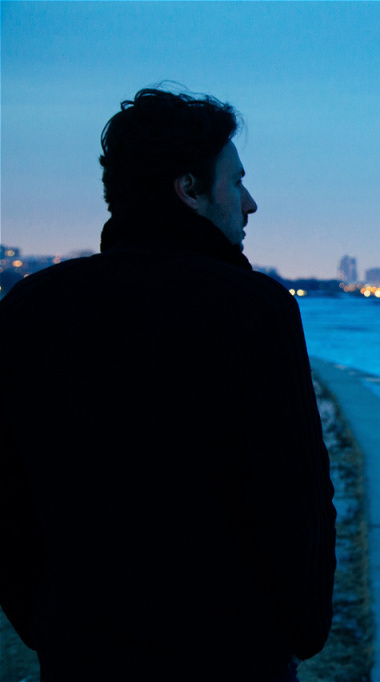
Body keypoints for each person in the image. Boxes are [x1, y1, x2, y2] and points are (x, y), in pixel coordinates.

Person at [0, 87, 336, 681]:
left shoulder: (32, 307)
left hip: (82, 655)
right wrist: (300, 631)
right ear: (189, 190)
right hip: (234, 656)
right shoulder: (254, 311)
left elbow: (7, 494)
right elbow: (295, 500)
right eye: (236, 182)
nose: (251, 202)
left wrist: (47, 623)